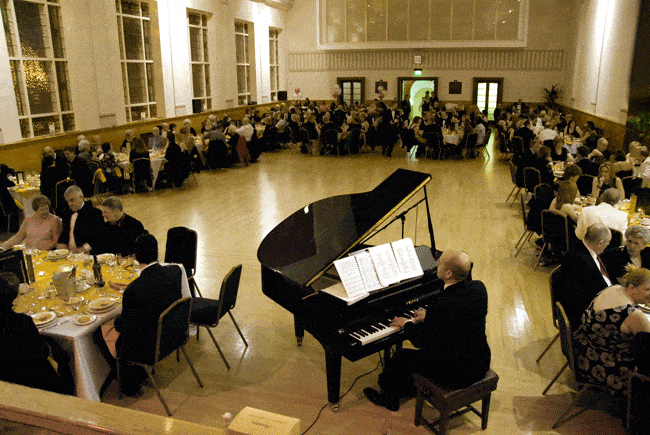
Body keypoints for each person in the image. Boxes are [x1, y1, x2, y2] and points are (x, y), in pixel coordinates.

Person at [363, 250, 490, 411]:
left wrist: (406, 324)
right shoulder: (479, 288)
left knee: (401, 357)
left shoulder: (442, 305)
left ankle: (390, 399)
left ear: (449, 273)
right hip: (480, 361)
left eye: (440, 263)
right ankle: (407, 386)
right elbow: (456, 319)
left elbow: (421, 341)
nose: (436, 264)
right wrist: (430, 317)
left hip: (457, 372)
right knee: (417, 356)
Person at [101, 233, 183, 395]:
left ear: (136, 257)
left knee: (99, 332)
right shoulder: (174, 272)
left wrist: (113, 321)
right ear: (158, 253)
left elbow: (125, 325)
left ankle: (127, 379)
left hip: (148, 347)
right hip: (172, 336)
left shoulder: (134, 289)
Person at [573, 266, 650, 392]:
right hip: (609, 370)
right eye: (647, 289)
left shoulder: (614, 288)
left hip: (584, 354)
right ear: (631, 288)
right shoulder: (633, 315)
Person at [0, 272, 74, 395]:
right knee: (62, 352)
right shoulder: (22, 322)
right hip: (39, 382)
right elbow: (42, 351)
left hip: (7, 383)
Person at [559, 223, 612, 328]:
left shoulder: (581, 248)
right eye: (607, 243)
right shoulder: (581, 262)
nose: (607, 246)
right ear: (599, 242)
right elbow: (596, 291)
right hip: (583, 313)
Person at [56, 185, 103, 253]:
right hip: (68, 253)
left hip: (88, 253)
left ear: (81, 197)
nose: (69, 204)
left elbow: (97, 236)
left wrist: (84, 248)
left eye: (72, 200)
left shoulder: (95, 213)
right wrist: (61, 244)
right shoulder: (67, 213)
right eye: (67, 201)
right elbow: (65, 232)